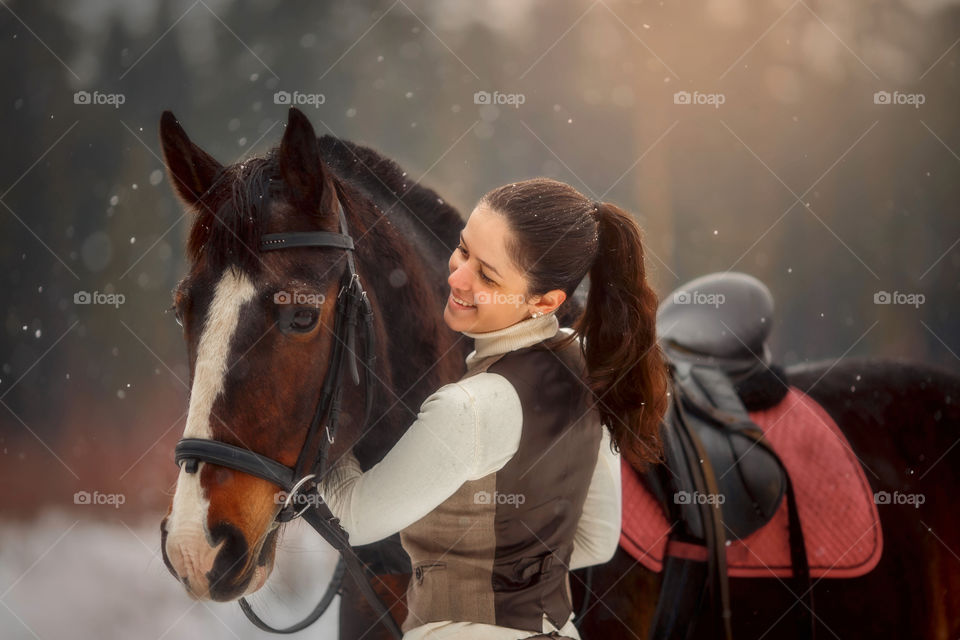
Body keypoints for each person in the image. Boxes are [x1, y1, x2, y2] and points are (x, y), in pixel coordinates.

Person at [319, 177, 669, 639]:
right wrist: (499, 564)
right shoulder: (587, 366)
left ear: (546, 301)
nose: (457, 277)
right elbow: (595, 541)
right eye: (463, 250)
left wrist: (325, 410)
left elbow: (352, 521)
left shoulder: (469, 408)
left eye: (487, 275)